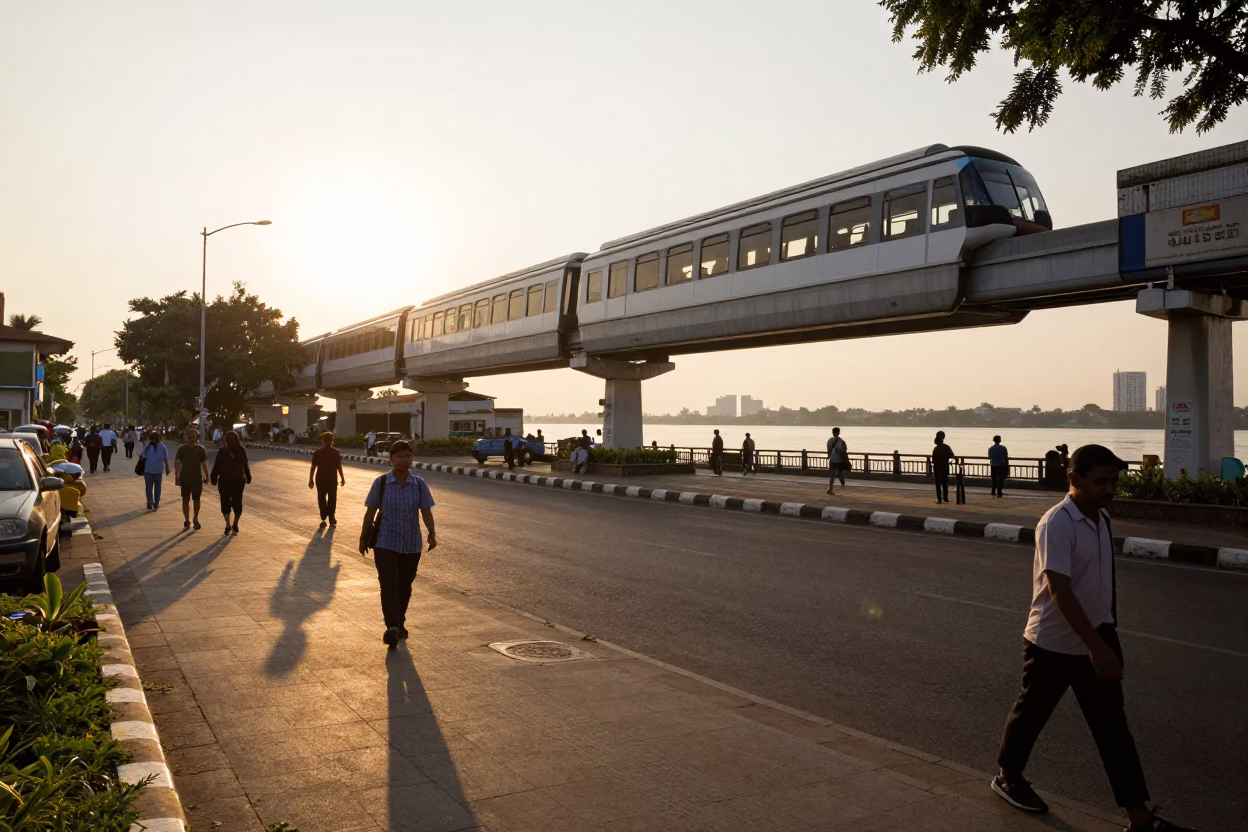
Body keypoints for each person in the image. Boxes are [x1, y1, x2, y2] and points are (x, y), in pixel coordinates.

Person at [992, 445, 1198, 831]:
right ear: (1074, 478)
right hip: (1052, 642)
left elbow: (1103, 580)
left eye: (1113, 482)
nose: (1109, 489)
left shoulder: (1102, 518)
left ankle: (1139, 817)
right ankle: (1008, 776)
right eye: (1099, 481)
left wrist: (1107, 631)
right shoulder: (1057, 523)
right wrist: (1095, 644)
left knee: (1112, 727)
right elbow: (1059, 589)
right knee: (1031, 714)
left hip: (1096, 638)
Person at [359, 440, 437, 648]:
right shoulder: (381, 483)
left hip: (411, 543)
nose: (404, 460)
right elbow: (371, 511)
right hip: (385, 542)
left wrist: (432, 533)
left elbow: (426, 510)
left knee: (405, 585)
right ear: (391, 459)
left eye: (407, 456)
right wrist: (363, 536)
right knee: (388, 584)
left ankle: (400, 620)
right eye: (399, 456)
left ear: (412, 457)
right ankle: (392, 625)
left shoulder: (419, 484)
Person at [211, 431, 252, 535]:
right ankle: (235, 524)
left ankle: (228, 524)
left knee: (225, 502)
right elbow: (245, 465)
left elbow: (217, 466)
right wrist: (248, 476)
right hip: (238, 481)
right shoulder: (241, 450)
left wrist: (213, 478)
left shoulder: (222, 451)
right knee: (237, 502)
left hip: (224, 481)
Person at [174, 428, 210, 530]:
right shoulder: (197, 449)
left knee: (187, 500)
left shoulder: (184, 449)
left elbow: (177, 464)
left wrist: (176, 477)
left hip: (191, 479)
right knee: (195, 500)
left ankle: (188, 520)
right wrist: (207, 476)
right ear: (197, 438)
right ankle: (194, 518)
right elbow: (204, 464)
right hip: (193, 479)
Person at [309, 431, 345, 526]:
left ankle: (323, 514)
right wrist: (342, 478)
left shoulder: (318, 452)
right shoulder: (335, 452)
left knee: (321, 496)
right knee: (332, 497)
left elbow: (313, 467)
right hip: (332, 479)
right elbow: (339, 467)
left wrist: (311, 479)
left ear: (323, 441)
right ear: (332, 440)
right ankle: (331, 516)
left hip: (320, 478)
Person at [140, 431, 170, 510]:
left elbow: (166, 459)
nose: (153, 441)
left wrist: (167, 468)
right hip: (148, 471)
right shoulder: (147, 446)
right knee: (149, 487)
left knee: (157, 488)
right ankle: (150, 502)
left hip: (158, 471)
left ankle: (156, 503)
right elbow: (142, 455)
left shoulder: (162, 447)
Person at [932, 431, 955, 504]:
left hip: (937, 468)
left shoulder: (936, 449)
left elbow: (933, 459)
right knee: (945, 483)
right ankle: (945, 498)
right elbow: (952, 455)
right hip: (945, 467)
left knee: (938, 484)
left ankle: (939, 499)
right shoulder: (946, 447)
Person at [826, 427, 847, 495]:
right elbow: (845, 450)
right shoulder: (842, 441)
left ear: (832, 433)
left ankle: (830, 488)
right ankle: (842, 482)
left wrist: (829, 456)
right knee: (840, 472)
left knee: (832, 475)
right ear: (839, 432)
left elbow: (829, 450)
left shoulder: (830, 440)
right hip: (840, 460)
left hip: (832, 460)